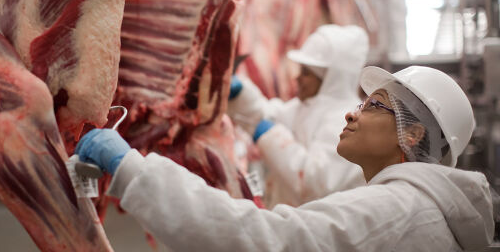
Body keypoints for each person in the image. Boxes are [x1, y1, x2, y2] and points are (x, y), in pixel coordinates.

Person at [76, 66, 494, 251]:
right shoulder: (413, 207)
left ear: (414, 133)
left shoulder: (395, 211)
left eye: (374, 106)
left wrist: (131, 168)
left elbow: (264, 240)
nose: (352, 112)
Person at [227, 24, 369, 207]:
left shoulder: (347, 120)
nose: (297, 78)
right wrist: (240, 93)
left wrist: (269, 135)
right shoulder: (304, 107)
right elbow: (266, 114)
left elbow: (316, 181)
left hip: (317, 229)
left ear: (329, 80)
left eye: (306, 73)